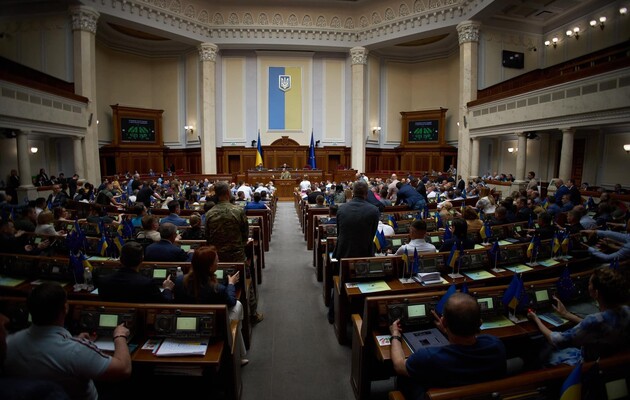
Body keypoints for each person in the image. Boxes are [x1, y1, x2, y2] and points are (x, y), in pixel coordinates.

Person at [4, 283, 132, 399]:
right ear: (65, 308)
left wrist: (72, 340)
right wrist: (119, 336)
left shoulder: (8, 343)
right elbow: (124, 369)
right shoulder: (76, 351)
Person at [389, 293, 506, 399]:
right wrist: (447, 329)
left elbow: (399, 365)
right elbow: (468, 339)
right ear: (480, 323)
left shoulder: (428, 357)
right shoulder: (496, 345)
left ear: (443, 321)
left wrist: (395, 334)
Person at [527, 268, 630, 365]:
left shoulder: (594, 321)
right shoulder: (626, 311)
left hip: (588, 365)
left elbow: (557, 341)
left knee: (541, 348)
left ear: (596, 293)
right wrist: (566, 314)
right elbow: (600, 324)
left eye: (589, 284)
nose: (588, 286)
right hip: (612, 362)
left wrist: (536, 319)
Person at [173, 246, 248, 366]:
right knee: (237, 306)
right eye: (217, 261)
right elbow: (231, 302)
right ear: (210, 267)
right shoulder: (217, 289)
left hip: (186, 321)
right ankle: (238, 353)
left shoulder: (179, 281)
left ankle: (240, 352)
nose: (218, 263)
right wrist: (231, 284)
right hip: (212, 327)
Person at [205, 181, 262, 323]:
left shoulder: (210, 213)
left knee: (216, 280)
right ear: (227, 193)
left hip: (217, 257)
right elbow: (245, 234)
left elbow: (207, 236)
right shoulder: (238, 211)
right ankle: (253, 314)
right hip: (237, 255)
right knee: (245, 281)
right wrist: (239, 245)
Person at [329, 180, 379, 323]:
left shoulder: (342, 208)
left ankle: (334, 315)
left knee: (340, 282)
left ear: (352, 192)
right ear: (366, 193)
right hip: (364, 251)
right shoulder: (373, 210)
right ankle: (359, 313)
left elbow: (339, 232)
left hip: (343, 251)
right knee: (363, 284)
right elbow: (372, 234)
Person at [97, 241, 174, 302]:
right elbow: (164, 302)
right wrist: (167, 288)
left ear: (120, 259)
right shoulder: (147, 283)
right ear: (142, 259)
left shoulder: (103, 281)